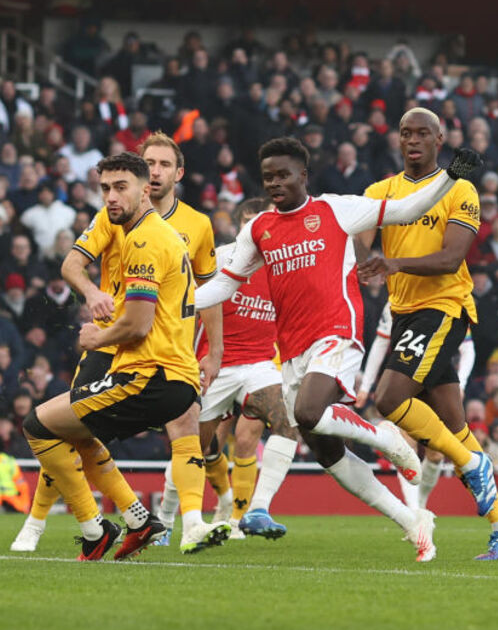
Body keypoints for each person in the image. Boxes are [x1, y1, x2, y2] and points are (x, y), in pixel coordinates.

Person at [194, 136, 483, 563]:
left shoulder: (334, 209)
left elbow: (407, 209)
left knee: (309, 413)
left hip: (337, 333)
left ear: (303, 176)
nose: (274, 183)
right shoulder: (258, 229)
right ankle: (411, 520)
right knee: (326, 451)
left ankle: (386, 437)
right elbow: (224, 283)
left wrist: (450, 178)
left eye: (283, 175)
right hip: (291, 349)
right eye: (268, 177)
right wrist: (179, 300)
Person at [11, 136, 227, 556]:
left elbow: (142, 321)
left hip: (147, 368)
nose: (111, 196)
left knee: (40, 427)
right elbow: (73, 264)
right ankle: (139, 521)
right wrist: (93, 295)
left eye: (121, 186)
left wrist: (98, 334)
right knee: (76, 430)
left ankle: (95, 527)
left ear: (150, 184)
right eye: (105, 188)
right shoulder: (134, 229)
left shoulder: (150, 238)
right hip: (169, 367)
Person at [357, 108, 498, 561]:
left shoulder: (461, 188)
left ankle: (473, 464)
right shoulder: (382, 192)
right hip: (406, 313)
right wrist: (362, 248)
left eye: (421, 133)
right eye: (404, 133)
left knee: (389, 400)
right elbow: (359, 238)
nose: (412, 140)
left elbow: (452, 258)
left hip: (444, 308)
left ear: (439, 138)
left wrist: (392, 263)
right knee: (453, 425)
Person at [156, 197, 301, 542]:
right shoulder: (220, 259)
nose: (256, 229)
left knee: (287, 417)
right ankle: (164, 519)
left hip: (261, 364)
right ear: (239, 227)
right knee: (194, 448)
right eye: (248, 222)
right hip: (214, 367)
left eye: (262, 221)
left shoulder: (284, 265)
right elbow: (188, 306)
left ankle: (252, 512)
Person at [357, 298, 477, 513]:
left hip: (437, 378)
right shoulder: (393, 304)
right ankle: (413, 510)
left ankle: (420, 503)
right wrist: (365, 385)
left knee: (436, 454)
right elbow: (381, 342)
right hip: (405, 376)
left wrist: (462, 381)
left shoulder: (447, 301)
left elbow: (468, 349)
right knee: (407, 442)